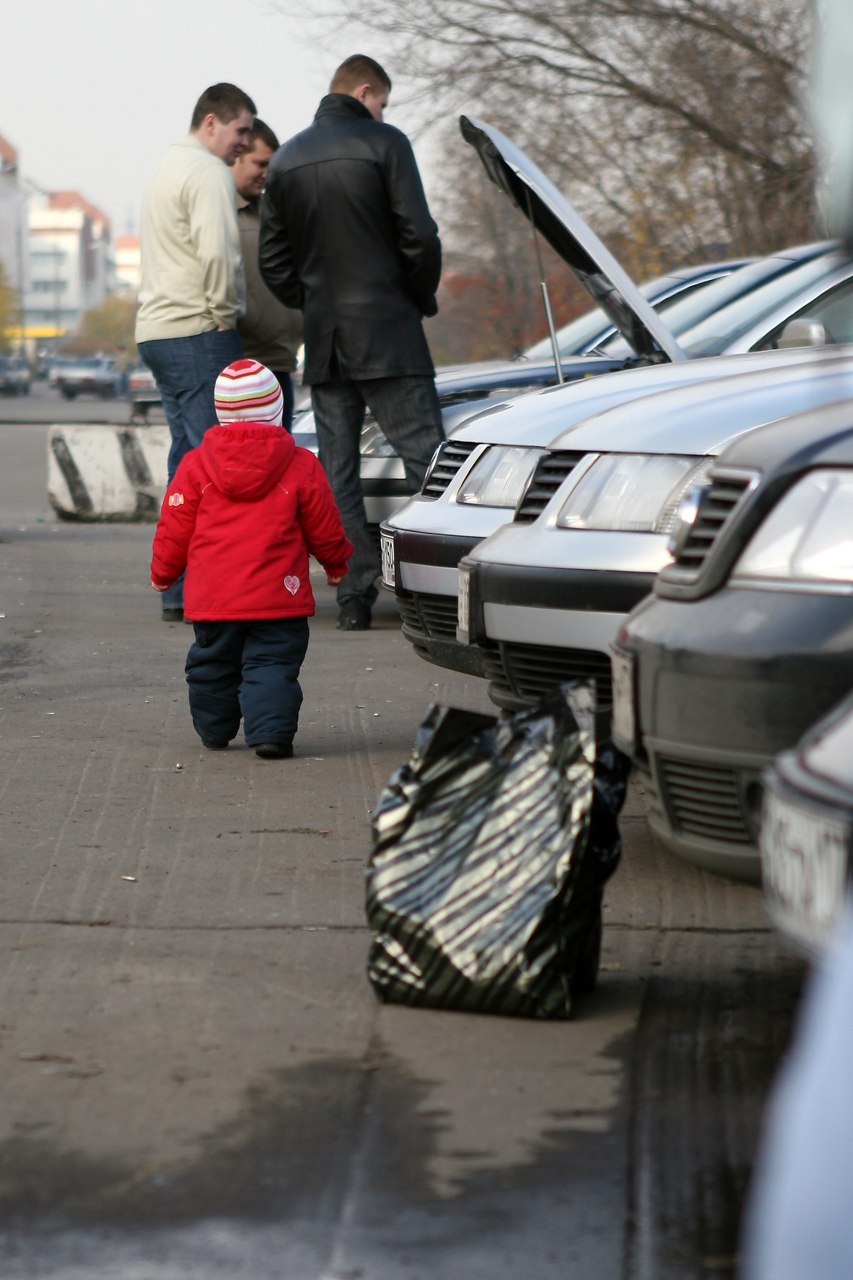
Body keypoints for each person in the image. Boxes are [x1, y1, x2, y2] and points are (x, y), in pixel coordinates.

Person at [259, 53, 444, 632]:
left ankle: (354, 597)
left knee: (337, 472)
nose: (383, 111)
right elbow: (421, 235)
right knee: (431, 463)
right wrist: (414, 297)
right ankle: (442, 588)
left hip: (327, 342)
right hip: (390, 331)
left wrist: (313, 303)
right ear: (365, 91)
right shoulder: (387, 144)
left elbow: (273, 260)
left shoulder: (285, 159)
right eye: (382, 101)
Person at [149, 359, 353, 759]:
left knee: (211, 663)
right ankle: (270, 735)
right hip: (279, 594)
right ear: (278, 410)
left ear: (220, 412)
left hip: (214, 595)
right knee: (273, 663)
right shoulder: (300, 464)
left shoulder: (194, 465)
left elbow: (174, 527)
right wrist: (336, 564)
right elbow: (324, 524)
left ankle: (214, 729)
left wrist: (164, 573)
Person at [136, 82, 257, 622]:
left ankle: (178, 586)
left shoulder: (166, 166)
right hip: (197, 330)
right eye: (241, 131)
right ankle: (207, 588)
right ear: (211, 122)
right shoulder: (207, 172)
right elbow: (218, 254)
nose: (244, 144)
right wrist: (224, 315)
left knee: (187, 461)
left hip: (158, 330)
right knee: (218, 465)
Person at [231, 119, 304, 429]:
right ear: (236, 157)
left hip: (278, 363)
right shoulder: (217, 212)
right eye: (259, 163)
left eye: (270, 166)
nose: (266, 173)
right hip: (239, 369)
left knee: (278, 465)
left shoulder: (273, 210)